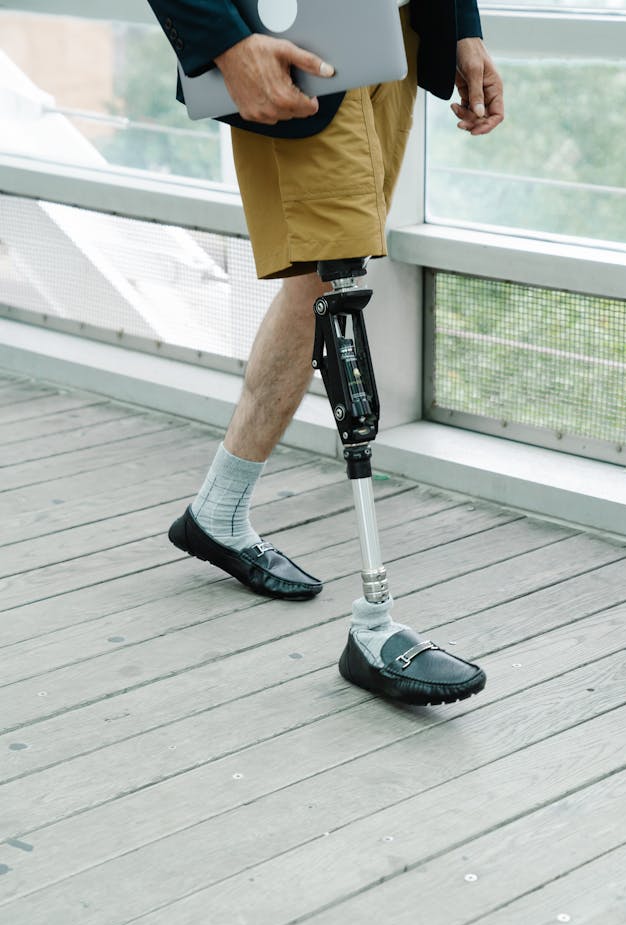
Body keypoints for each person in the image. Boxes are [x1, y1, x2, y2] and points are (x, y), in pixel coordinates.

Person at [145, 0, 504, 704]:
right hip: (293, 32)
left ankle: (217, 513)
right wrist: (224, 40)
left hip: (389, 34)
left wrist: (462, 27)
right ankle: (375, 622)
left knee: (322, 276)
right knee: (338, 282)